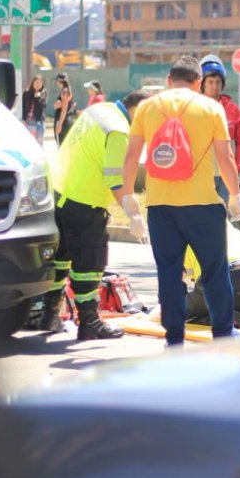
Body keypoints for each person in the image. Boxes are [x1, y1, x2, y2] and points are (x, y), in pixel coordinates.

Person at [121, 56, 240, 346]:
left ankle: (174, 339)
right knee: (215, 271)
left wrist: (128, 195)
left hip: (161, 207)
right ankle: (224, 335)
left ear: (168, 80)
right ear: (198, 82)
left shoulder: (147, 107)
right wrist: (236, 196)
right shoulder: (211, 107)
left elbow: (131, 155)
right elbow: (226, 159)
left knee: (169, 274)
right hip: (202, 204)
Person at [38, 90, 151, 339]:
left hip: (59, 194)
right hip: (85, 204)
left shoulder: (99, 110)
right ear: (139, 111)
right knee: (89, 265)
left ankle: (49, 316)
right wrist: (133, 215)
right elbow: (115, 182)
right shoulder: (120, 131)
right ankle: (89, 322)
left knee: (60, 260)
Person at [200, 54, 240, 202]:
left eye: (218, 82)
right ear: (202, 83)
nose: (214, 86)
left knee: (228, 216)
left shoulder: (233, 110)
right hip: (202, 175)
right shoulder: (194, 108)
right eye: (210, 82)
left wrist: (237, 168)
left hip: (227, 176)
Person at [21, 75, 46, 146]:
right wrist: (23, 119)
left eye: (40, 83)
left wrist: (38, 98)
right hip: (29, 122)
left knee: (39, 143)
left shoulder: (44, 94)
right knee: (29, 143)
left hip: (39, 122)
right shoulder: (26, 93)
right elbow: (23, 107)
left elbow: (43, 107)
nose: (38, 85)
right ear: (33, 83)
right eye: (36, 83)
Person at [53, 72, 77, 145]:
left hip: (63, 120)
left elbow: (64, 109)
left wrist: (60, 124)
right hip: (67, 119)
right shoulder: (68, 90)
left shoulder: (65, 91)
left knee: (61, 145)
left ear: (58, 81)